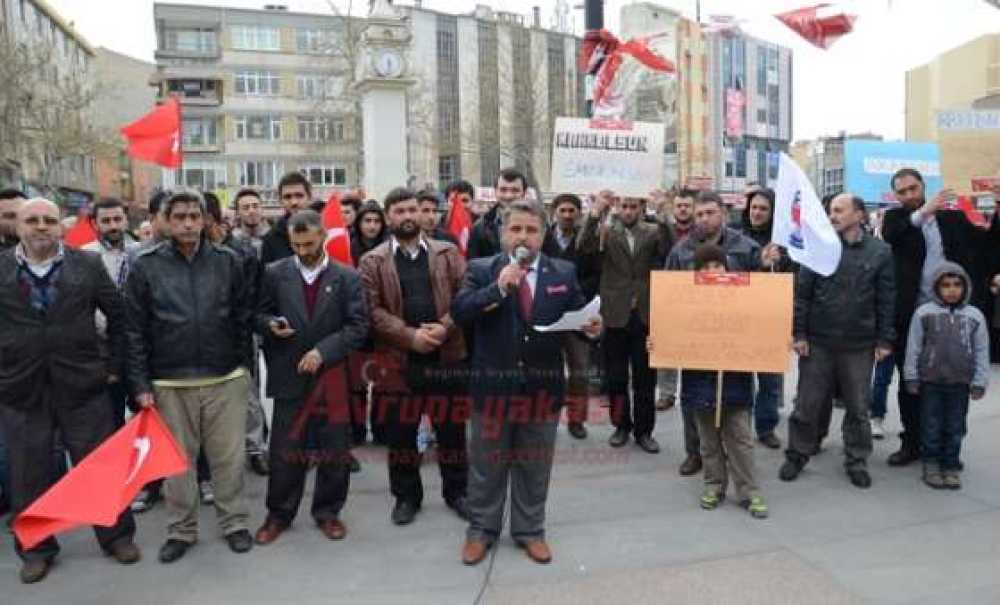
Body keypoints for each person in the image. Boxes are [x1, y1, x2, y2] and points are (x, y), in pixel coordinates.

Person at [453, 200, 601, 566]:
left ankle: (530, 530)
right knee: (487, 465)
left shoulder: (563, 272)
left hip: (542, 390)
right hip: (492, 389)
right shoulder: (480, 269)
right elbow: (461, 312)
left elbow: (578, 321)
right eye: (516, 229)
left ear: (543, 234)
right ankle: (481, 530)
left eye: (531, 230)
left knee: (534, 465)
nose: (523, 236)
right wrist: (498, 289)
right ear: (503, 233)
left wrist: (592, 329)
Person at [0, 198, 139, 583]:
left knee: (99, 466)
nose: (41, 226)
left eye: (49, 220)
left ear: (61, 226)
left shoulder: (87, 265)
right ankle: (36, 549)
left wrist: (112, 366)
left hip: (82, 384)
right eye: (32, 220)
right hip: (21, 389)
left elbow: (120, 316)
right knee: (28, 473)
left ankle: (117, 537)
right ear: (18, 226)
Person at [124, 190, 254, 563]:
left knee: (228, 459)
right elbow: (133, 330)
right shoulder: (145, 265)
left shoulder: (229, 261)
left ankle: (234, 522)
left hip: (224, 378)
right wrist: (141, 385)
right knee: (177, 463)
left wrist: (243, 369)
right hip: (169, 382)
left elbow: (242, 318)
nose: (186, 223)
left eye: (194, 216)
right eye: (178, 216)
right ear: (165, 220)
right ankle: (181, 530)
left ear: (205, 219)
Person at [253, 210, 369, 545]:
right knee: (285, 451)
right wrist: (270, 324)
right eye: (296, 244)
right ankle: (278, 514)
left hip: (331, 375)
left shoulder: (346, 277)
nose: (303, 250)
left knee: (335, 449)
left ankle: (328, 512)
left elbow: (358, 326)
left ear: (322, 237)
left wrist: (323, 351)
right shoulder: (275, 273)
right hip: (289, 374)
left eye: (308, 243)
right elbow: (258, 314)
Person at [358, 187, 470, 526]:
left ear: (422, 214)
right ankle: (407, 497)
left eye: (412, 210)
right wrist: (411, 337)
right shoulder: (372, 261)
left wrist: (443, 327)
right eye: (399, 211)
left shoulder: (448, 252)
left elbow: (466, 294)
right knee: (401, 435)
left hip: (446, 354)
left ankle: (458, 492)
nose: (407, 216)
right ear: (388, 217)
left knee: (451, 432)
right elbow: (371, 310)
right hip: (397, 361)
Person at [882, 168, 998, 467]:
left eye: (913, 188)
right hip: (911, 318)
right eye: (903, 191)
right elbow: (892, 234)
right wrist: (924, 211)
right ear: (896, 195)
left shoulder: (952, 219)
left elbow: (985, 248)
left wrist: (998, 210)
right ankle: (912, 443)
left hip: (951, 316)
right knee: (911, 382)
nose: (909, 195)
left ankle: (949, 446)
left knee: (953, 383)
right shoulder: (897, 220)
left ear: (923, 186)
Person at [780, 194, 895, 489]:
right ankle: (797, 454)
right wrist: (800, 334)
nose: (832, 215)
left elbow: (886, 299)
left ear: (859, 214)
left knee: (858, 408)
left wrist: (884, 339)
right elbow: (802, 295)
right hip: (818, 342)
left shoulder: (880, 252)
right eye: (831, 210)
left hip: (859, 345)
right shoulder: (819, 248)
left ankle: (856, 460)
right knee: (807, 404)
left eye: (839, 210)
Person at [665, 191, 761, 476]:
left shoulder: (746, 247)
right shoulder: (681, 250)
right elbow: (669, 293)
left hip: (736, 336)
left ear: (723, 212)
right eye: (699, 214)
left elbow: (765, 290)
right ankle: (695, 453)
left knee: (739, 398)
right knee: (693, 398)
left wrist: (770, 264)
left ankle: (735, 453)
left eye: (710, 212)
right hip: (696, 337)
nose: (704, 219)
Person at [675, 243, 768, 518]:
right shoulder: (686, 303)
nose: (712, 271)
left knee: (740, 439)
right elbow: (674, 334)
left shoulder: (743, 299)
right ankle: (714, 485)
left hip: (735, 382)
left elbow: (759, 328)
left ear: (726, 267)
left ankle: (749, 490)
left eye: (717, 265)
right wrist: (658, 343)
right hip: (699, 384)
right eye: (705, 268)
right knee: (708, 441)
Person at [579, 190, 672, 452]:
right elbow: (583, 246)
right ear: (618, 207)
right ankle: (621, 426)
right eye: (624, 206)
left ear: (642, 208)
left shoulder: (653, 231)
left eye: (633, 206)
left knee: (645, 378)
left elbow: (670, 248)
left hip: (644, 313)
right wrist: (595, 213)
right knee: (616, 377)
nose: (628, 211)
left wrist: (664, 213)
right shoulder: (606, 232)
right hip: (614, 313)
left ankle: (645, 432)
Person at [903, 263, 989, 490]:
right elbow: (913, 347)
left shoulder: (975, 316)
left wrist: (980, 381)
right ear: (936, 287)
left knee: (955, 426)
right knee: (931, 425)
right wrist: (911, 376)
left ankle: (950, 465)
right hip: (931, 382)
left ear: (966, 287)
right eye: (946, 285)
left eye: (957, 285)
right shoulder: (924, 313)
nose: (952, 290)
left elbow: (981, 350)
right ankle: (931, 464)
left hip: (960, 384)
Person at [205, 193, 270, 477]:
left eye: (197, 216)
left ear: (211, 218)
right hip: (204, 334)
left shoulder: (241, 251)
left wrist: (248, 328)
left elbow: (254, 294)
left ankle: (255, 448)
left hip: (240, 331)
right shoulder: (191, 251)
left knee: (248, 392)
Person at [542, 193, 599, 440]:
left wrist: (575, 292)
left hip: (578, 313)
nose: (567, 215)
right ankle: (546, 418)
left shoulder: (589, 240)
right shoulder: (542, 238)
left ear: (578, 213)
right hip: (548, 314)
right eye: (562, 210)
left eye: (571, 211)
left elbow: (596, 274)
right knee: (546, 371)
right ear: (554, 212)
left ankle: (577, 420)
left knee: (580, 371)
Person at [738, 188, 789, 450]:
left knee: (770, 380)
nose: (757, 213)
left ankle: (766, 426)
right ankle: (740, 427)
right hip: (741, 317)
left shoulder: (783, 242)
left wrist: (778, 263)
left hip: (771, 318)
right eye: (754, 207)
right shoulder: (735, 237)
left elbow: (793, 278)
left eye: (763, 209)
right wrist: (758, 262)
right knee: (741, 379)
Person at [82, 197, 139, 425]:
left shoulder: (142, 253)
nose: (113, 225)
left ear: (126, 220)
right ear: (95, 224)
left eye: (118, 219)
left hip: (140, 348)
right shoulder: (84, 257)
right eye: (106, 221)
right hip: (104, 350)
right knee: (111, 419)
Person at [467, 168, 527, 259]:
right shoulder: (479, 228)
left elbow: (552, 261)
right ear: (495, 191)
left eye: (515, 190)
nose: (509, 195)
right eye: (503, 190)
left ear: (524, 193)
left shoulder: (540, 225)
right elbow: (473, 264)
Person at [262, 172, 312, 264]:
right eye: (287, 197)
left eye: (299, 195)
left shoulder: (326, 233)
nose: (294, 202)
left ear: (309, 197)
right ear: (280, 201)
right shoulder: (271, 239)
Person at [230, 188, 270, 254]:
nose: (252, 211)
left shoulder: (274, 238)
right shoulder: (232, 242)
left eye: (255, 206)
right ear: (237, 213)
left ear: (262, 209)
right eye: (246, 208)